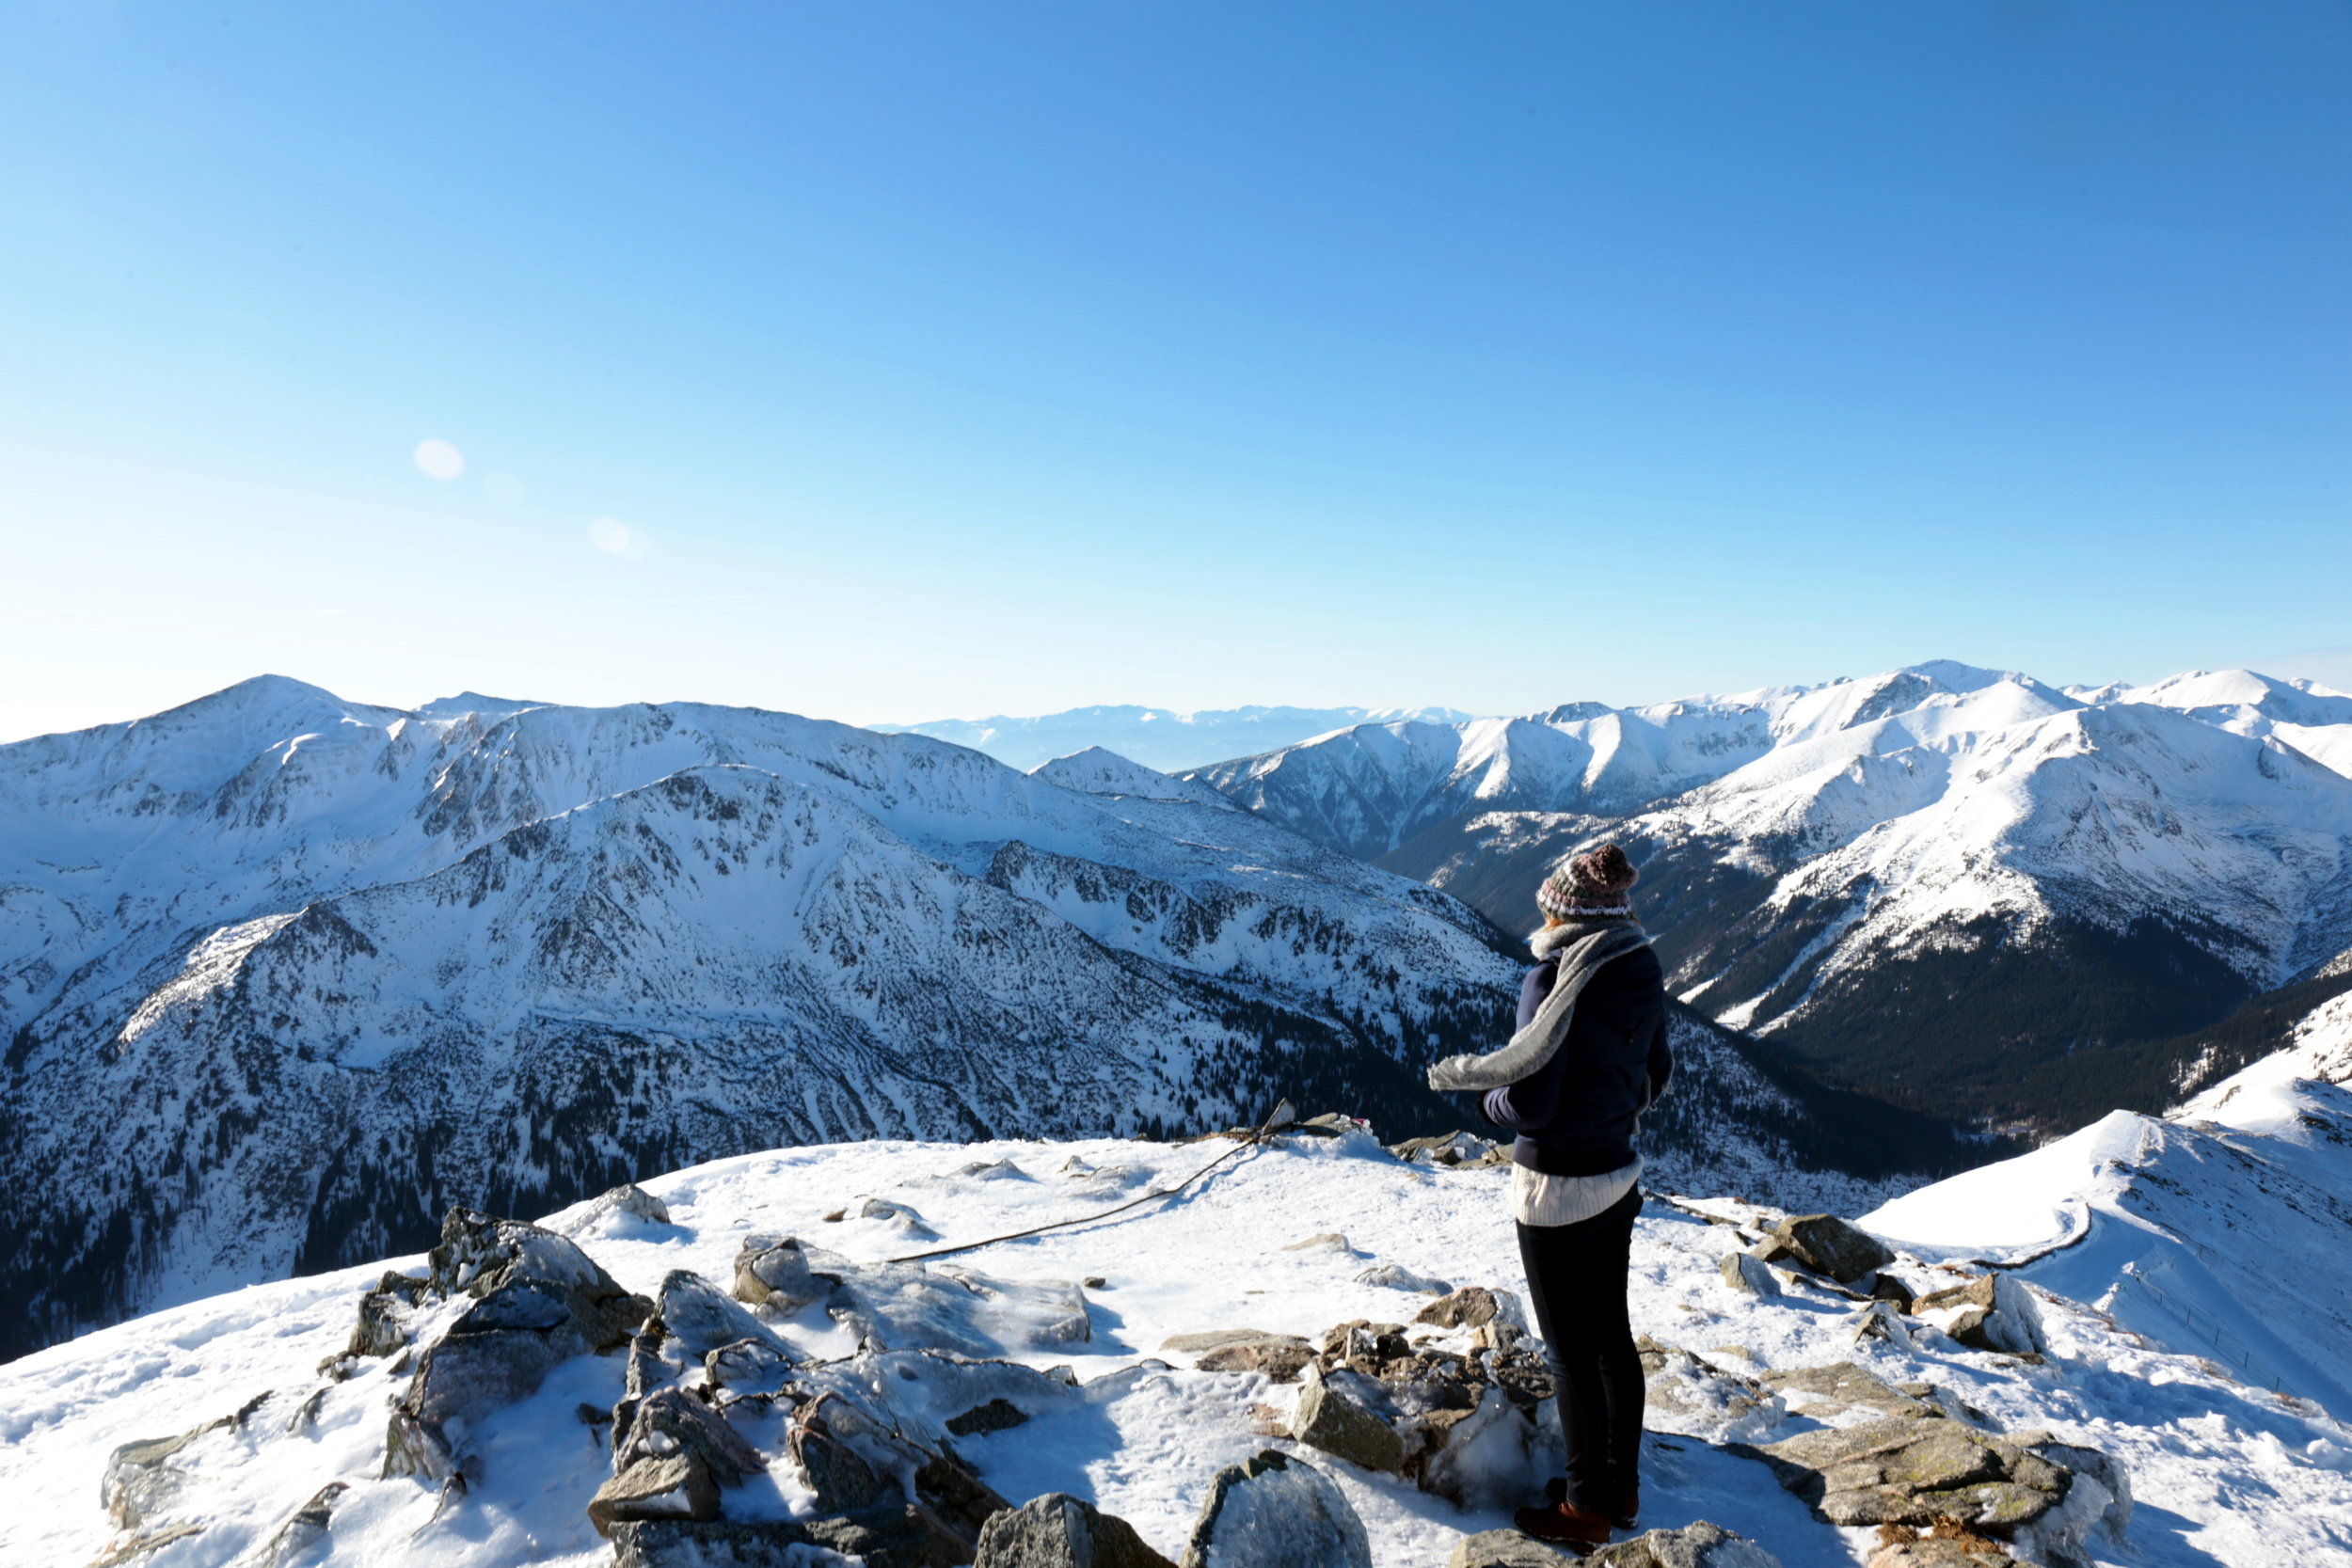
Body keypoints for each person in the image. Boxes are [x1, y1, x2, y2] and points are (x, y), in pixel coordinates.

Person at [1424, 841, 1670, 1555]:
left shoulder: (1554, 976)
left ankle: (1585, 1507)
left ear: (1566, 910)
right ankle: (1619, 1487)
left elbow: (1529, 1098)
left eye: (1549, 902)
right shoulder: (1640, 963)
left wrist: (1486, 1104)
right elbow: (1657, 1067)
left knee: (1568, 1352)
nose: (1542, 910)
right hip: (1617, 1174)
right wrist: (1612, 1111)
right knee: (1612, 1338)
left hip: (1555, 1187)